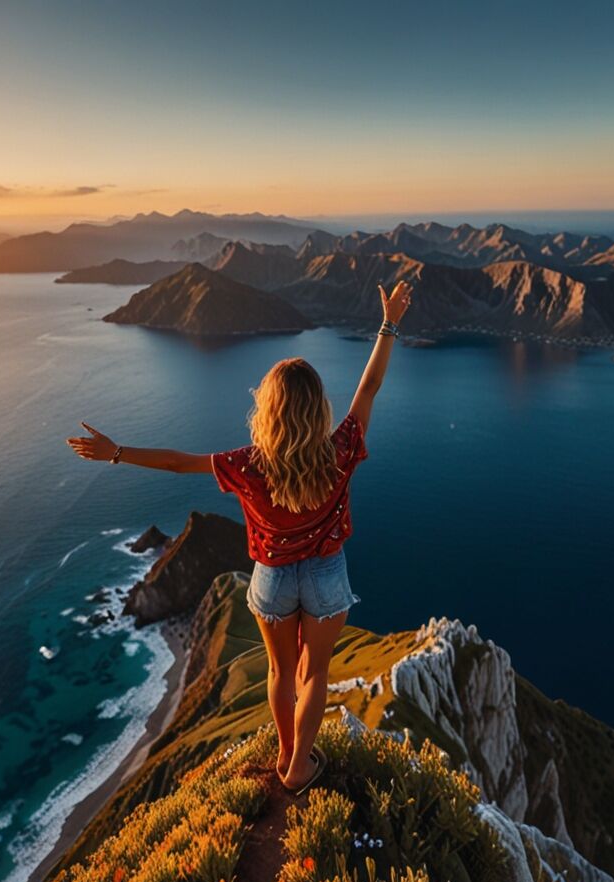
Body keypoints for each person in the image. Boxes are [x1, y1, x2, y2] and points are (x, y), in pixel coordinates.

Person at [66, 279, 413, 795]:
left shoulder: (247, 465)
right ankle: (299, 766)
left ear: (269, 411)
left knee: (280, 671)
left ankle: (285, 754)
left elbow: (177, 463)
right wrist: (388, 325)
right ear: (317, 409)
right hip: (325, 574)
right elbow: (369, 388)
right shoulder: (341, 450)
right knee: (314, 674)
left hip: (272, 579)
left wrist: (117, 453)